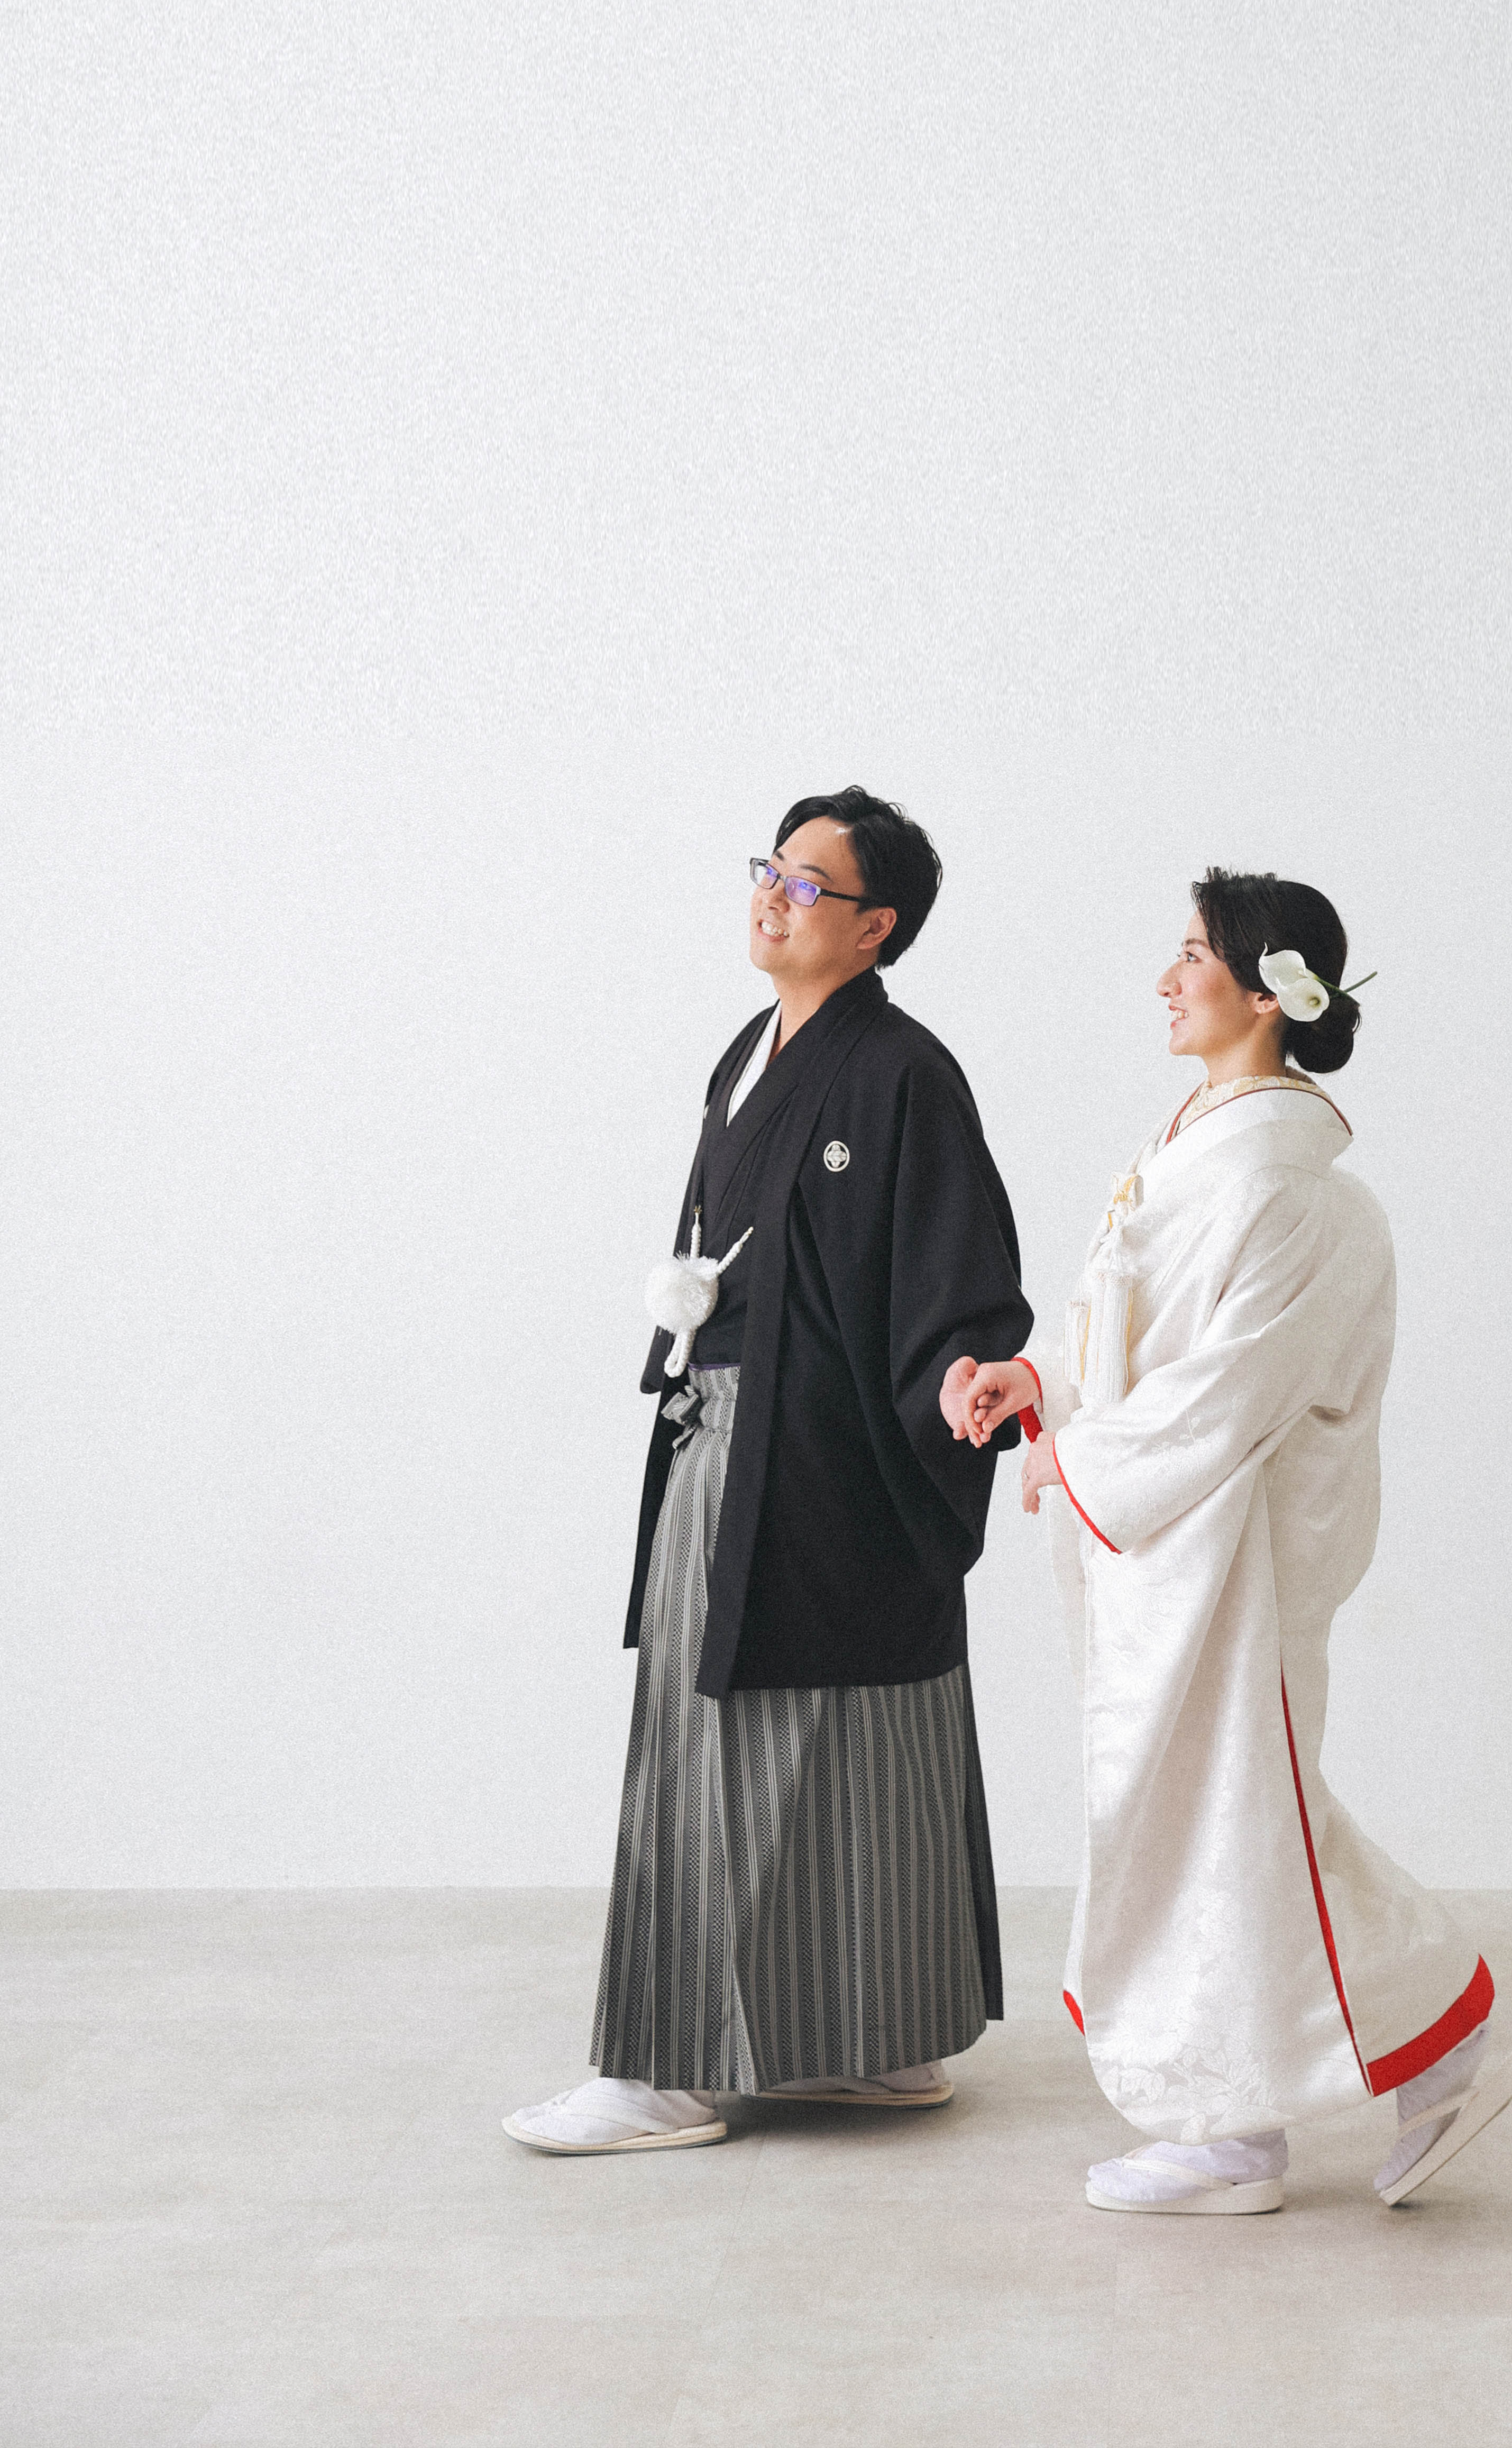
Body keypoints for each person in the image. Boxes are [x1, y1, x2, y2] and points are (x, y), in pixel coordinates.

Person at [945, 870, 1512, 2214]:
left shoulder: (1288, 1188)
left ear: (1269, 994)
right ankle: (1382, 2070)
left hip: (1234, 1555)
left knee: (1231, 1822)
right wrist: (1044, 1387)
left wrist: (1086, 1458)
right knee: (1222, 1821)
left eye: (1194, 956)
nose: (1166, 980)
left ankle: (1252, 2120)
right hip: (1172, 1546)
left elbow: (1232, 1387)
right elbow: (1140, 1343)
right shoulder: (1200, 1151)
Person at [507, 787, 1034, 2155]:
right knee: (721, 1729)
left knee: (800, 1740)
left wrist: (962, 1376)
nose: (772, 896)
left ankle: (669, 2072)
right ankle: (868, 2047)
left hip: (830, 1450)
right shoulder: (751, 1052)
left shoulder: (905, 1072)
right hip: (733, 1428)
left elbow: (955, 1270)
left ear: (875, 928)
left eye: (807, 883)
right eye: (770, 869)